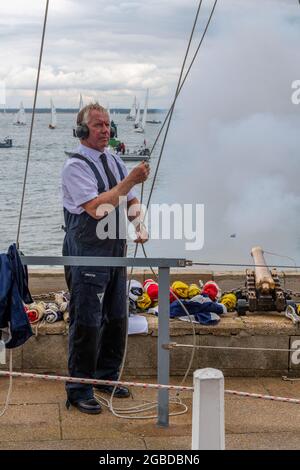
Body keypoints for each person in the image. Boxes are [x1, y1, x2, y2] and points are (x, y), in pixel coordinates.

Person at [61, 103, 149, 414]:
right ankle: (78, 388)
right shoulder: (75, 166)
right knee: (87, 321)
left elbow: (130, 199)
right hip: (87, 251)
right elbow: (97, 208)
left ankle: (105, 378)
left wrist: (138, 222)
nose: (105, 130)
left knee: (116, 317)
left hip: (115, 251)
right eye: (98, 125)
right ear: (83, 130)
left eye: (108, 124)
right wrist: (131, 180)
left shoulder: (112, 158)